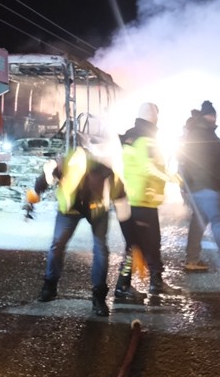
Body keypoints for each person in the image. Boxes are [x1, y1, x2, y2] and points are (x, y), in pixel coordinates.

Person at [36, 141, 120, 316]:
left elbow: (121, 196)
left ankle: (99, 296)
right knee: (57, 244)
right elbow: (43, 181)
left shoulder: (104, 172)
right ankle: (50, 286)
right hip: (70, 210)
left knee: (100, 249)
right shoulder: (62, 166)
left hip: (96, 211)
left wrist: (131, 233)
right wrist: (34, 195)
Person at [113, 102, 175, 303]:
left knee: (152, 242)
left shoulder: (133, 136)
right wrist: (169, 177)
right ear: (153, 118)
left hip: (139, 198)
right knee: (136, 245)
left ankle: (156, 281)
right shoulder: (146, 140)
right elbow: (148, 166)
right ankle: (123, 286)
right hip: (142, 199)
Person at [178, 101, 220, 273]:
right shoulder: (204, 134)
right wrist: (218, 183)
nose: (214, 118)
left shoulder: (197, 132)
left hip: (199, 186)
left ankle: (192, 260)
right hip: (208, 185)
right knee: (218, 223)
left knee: (198, 222)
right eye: (212, 115)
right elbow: (211, 162)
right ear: (205, 116)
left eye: (215, 115)